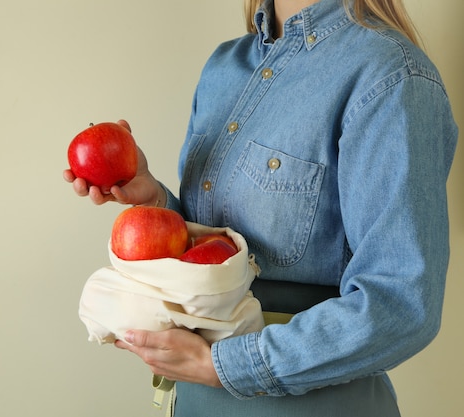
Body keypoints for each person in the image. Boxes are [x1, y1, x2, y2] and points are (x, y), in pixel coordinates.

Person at [64, 0, 458, 415]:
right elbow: (221, 255)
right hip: (192, 400)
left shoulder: (390, 75)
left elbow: (401, 304)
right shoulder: (224, 68)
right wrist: (155, 202)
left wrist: (224, 364)